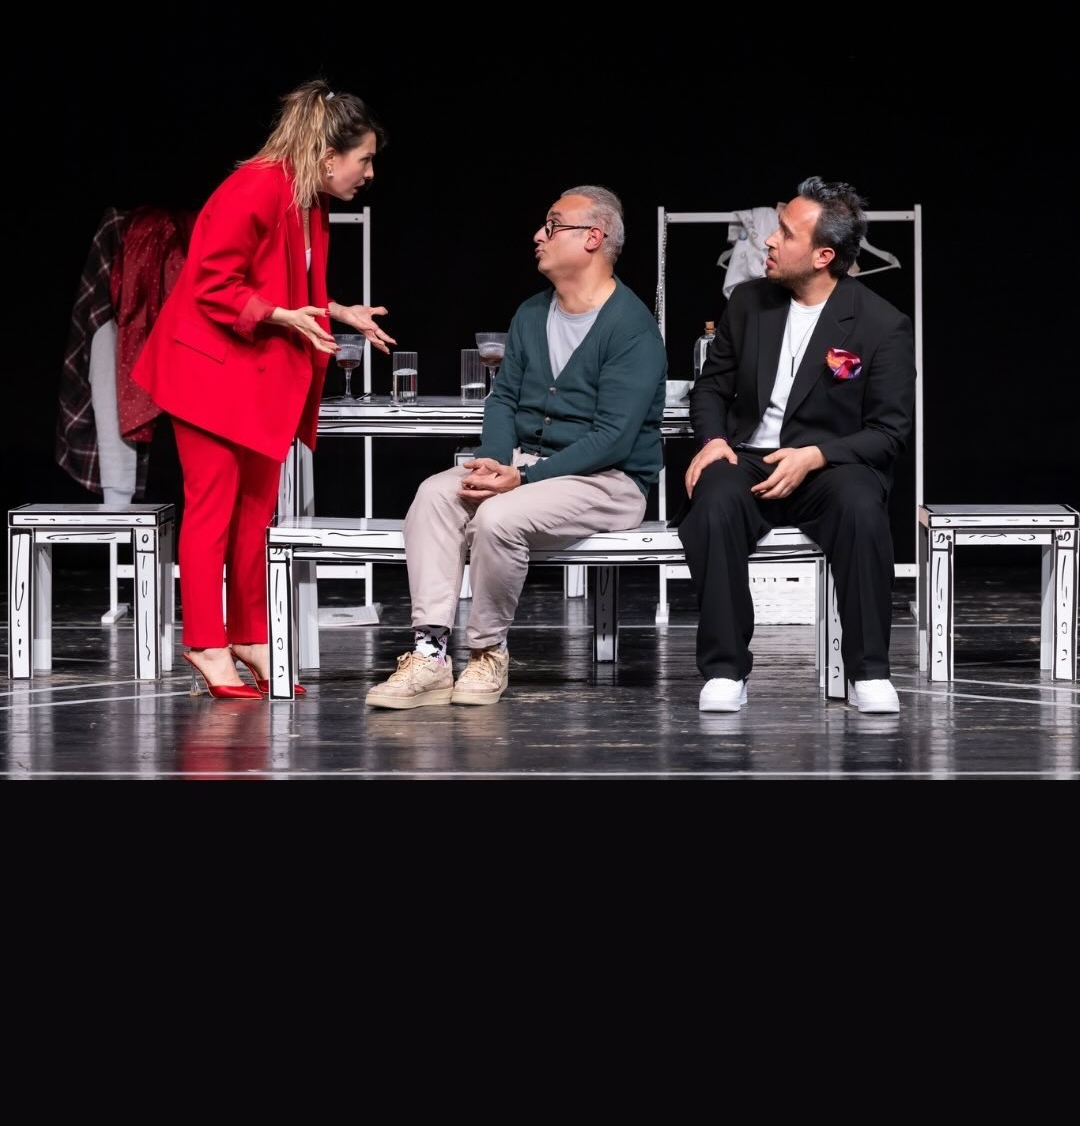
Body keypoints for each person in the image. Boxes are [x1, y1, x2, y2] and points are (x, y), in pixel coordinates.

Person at [131, 79, 395, 699]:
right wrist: (281, 316)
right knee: (213, 509)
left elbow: (284, 282)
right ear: (329, 156)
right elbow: (212, 282)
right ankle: (205, 641)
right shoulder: (255, 186)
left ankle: (249, 634)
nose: (369, 173)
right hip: (206, 374)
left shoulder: (307, 200)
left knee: (255, 514)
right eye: (364, 159)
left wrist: (337, 310)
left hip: (252, 377)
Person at [366, 184, 667, 709]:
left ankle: (488, 651)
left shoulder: (631, 327)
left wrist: (522, 479)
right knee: (435, 495)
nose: (538, 236)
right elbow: (504, 397)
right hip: (528, 468)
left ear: (593, 238)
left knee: (499, 517)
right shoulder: (531, 313)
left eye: (553, 225)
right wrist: (493, 461)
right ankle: (431, 653)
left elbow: (613, 438)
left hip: (609, 480)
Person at [678, 176, 915, 715]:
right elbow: (711, 387)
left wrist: (815, 456)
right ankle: (725, 669)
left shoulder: (882, 324)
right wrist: (713, 441)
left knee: (861, 506)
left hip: (828, 465)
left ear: (823, 256)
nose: (769, 239)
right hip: (748, 458)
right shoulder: (748, 302)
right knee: (713, 500)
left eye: (785, 233)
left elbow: (888, 432)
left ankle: (869, 671)